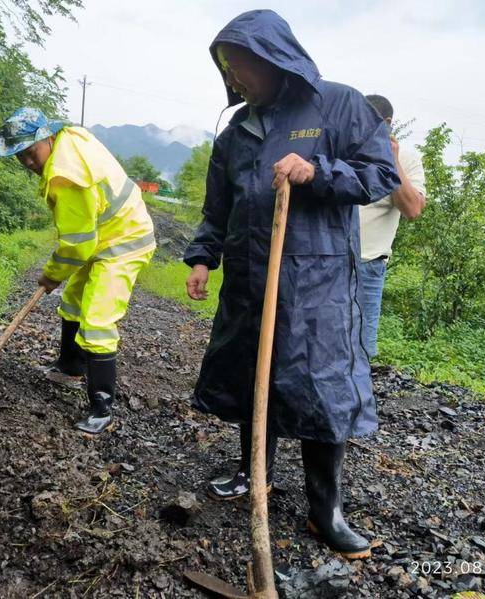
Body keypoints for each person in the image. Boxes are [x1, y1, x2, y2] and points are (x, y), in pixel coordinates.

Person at [183, 10, 399, 559]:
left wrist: (317, 171)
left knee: (320, 383)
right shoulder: (235, 132)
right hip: (250, 277)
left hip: (317, 282)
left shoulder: (339, 104)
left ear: (271, 57)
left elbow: (380, 176)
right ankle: (254, 473)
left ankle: (326, 509)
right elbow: (218, 207)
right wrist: (203, 257)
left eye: (241, 65)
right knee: (253, 376)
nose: (234, 78)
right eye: (227, 68)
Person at [0, 107, 156, 435]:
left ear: (47, 138)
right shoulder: (70, 135)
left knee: (96, 320)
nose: (27, 162)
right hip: (104, 232)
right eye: (19, 156)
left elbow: (76, 246)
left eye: (30, 152)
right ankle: (70, 365)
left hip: (125, 240)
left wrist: (51, 274)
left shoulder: (65, 177)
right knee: (72, 300)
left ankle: (102, 407)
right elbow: (83, 241)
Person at [358, 95, 427, 358]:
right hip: (329, 260)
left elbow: (412, 209)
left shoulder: (408, 159)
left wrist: (392, 160)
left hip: (368, 264)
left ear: (387, 123)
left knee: (361, 348)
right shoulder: (342, 149)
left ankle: (358, 397)